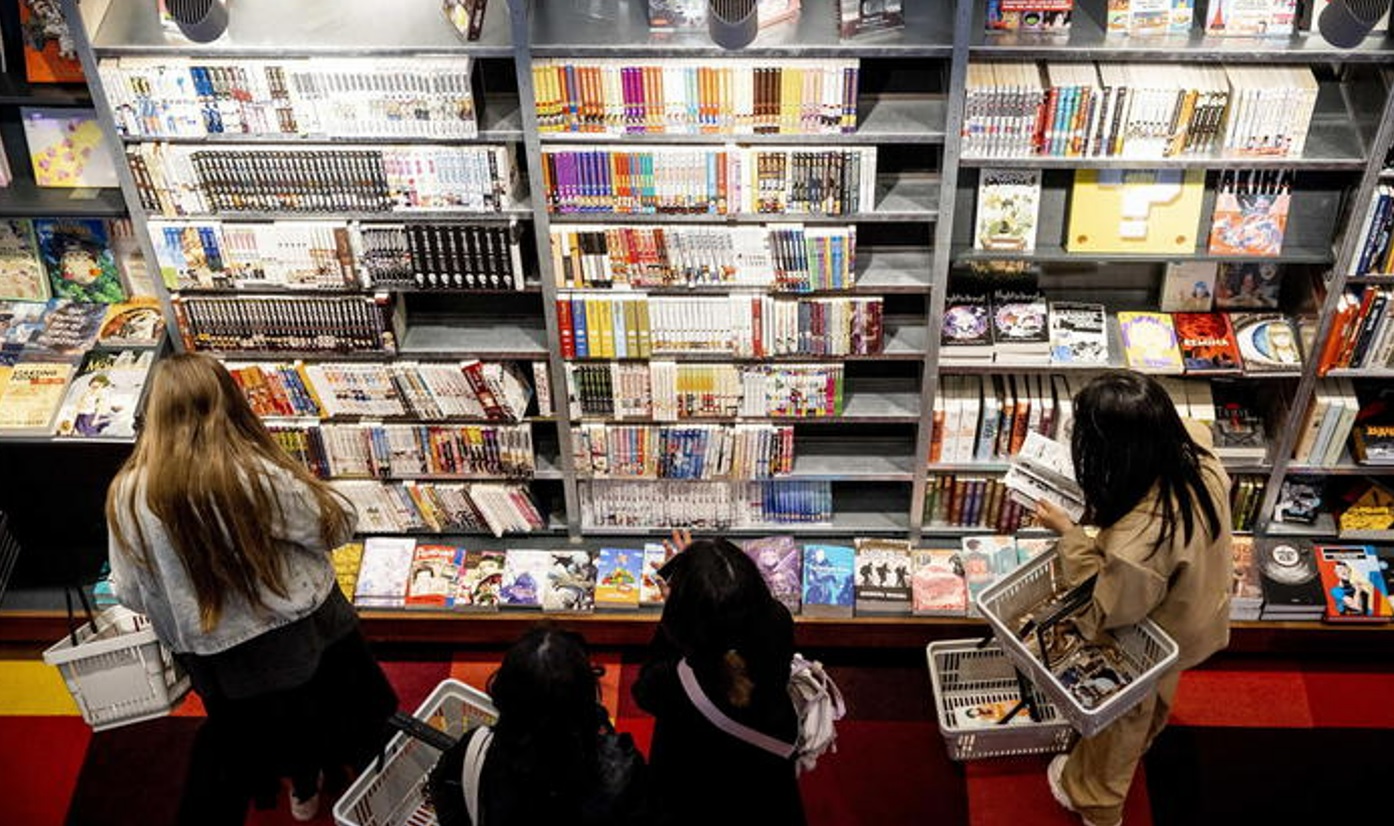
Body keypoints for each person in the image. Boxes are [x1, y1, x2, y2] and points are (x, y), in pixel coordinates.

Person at [105, 352, 397, 824]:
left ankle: (302, 784)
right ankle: (376, 790)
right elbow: (336, 525)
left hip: (213, 657)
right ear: (228, 403)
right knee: (349, 714)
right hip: (300, 634)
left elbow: (128, 591)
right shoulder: (252, 475)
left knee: (264, 727)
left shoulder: (126, 493)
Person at [1034, 370, 1233, 826]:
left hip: (1148, 638)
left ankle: (1096, 802)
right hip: (1196, 613)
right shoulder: (1199, 453)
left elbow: (1110, 608)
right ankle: (1142, 741)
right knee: (1158, 696)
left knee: (1122, 719)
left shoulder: (1137, 545)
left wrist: (1069, 534)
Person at [632, 532, 804, 826]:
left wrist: (673, 610)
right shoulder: (776, 621)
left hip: (693, 795)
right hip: (766, 789)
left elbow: (644, 692)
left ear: (683, 618)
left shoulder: (674, 676)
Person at [427, 625, 649, 826]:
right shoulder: (622, 768)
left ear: (504, 692)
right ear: (586, 694)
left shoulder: (475, 750)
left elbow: (444, 794)